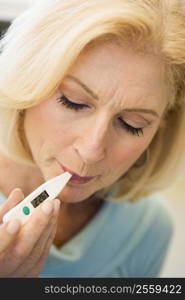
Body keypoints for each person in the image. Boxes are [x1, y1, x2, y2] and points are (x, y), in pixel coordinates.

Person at [0, 0, 184, 278]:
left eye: (132, 125)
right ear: (28, 80)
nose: (90, 151)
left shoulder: (147, 231)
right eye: (73, 102)